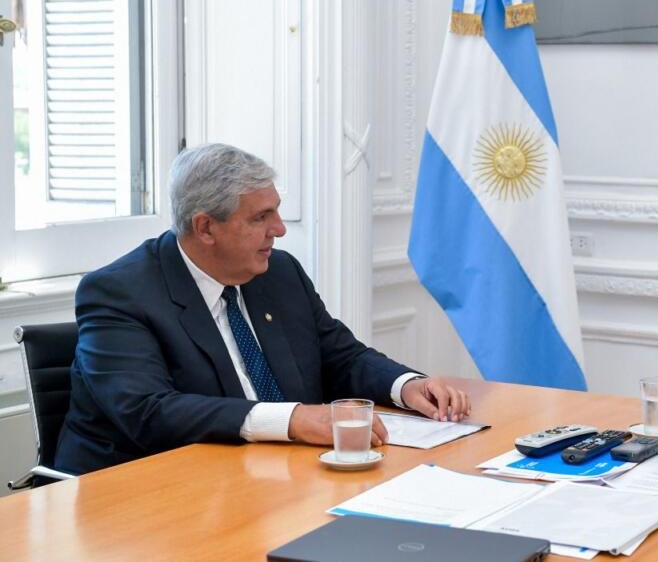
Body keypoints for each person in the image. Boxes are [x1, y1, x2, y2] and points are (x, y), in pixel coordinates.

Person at [55, 144, 471, 474]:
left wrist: (405, 385)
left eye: (277, 210)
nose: (280, 229)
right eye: (261, 217)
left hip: (263, 476)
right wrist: (292, 420)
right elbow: (149, 412)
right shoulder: (119, 293)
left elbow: (341, 356)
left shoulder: (278, 272)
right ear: (205, 227)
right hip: (142, 494)